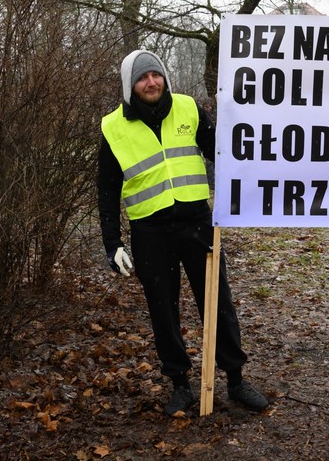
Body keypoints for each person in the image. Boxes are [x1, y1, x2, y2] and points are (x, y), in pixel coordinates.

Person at [97, 50, 269, 416]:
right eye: (143, 78)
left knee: (218, 302)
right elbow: (107, 188)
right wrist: (113, 242)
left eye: (156, 75)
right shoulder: (113, 127)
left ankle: (236, 380)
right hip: (150, 231)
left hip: (197, 224)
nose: (151, 82)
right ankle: (181, 385)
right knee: (163, 311)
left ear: (165, 78)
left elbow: (222, 152)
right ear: (131, 85)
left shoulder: (188, 109)